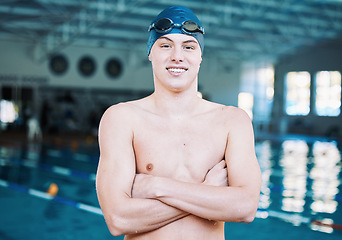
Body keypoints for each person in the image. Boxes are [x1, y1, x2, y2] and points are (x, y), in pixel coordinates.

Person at [96, 5, 261, 240]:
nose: (177, 56)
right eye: (165, 45)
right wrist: (208, 193)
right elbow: (118, 220)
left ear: (200, 56)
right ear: (150, 53)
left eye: (189, 47)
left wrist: (156, 187)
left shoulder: (233, 121)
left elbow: (245, 207)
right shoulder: (122, 118)